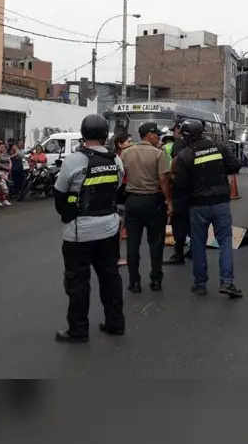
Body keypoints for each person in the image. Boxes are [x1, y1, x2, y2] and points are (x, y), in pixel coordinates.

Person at [52, 114, 126, 343]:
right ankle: (115, 324)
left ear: (83, 135)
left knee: (77, 283)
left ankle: (78, 330)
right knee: (110, 278)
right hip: (109, 229)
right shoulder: (116, 160)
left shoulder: (74, 160)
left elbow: (59, 196)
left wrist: (68, 212)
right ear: (105, 135)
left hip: (79, 233)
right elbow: (118, 191)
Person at [171, 119, 243, 297]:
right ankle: (227, 282)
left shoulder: (185, 155)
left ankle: (200, 284)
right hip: (220, 202)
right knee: (225, 241)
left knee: (198, 243)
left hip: (198, 205)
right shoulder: (219, 147)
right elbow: (235, 165)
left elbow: (179, 183)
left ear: (186, 136)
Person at [119, 123, 172, 292]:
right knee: (156, 243)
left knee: (133, 243)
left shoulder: (126, 153)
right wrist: (169, 201)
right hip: (153, 201)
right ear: (148, 135)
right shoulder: (158, 153)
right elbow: (163, 180)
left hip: (132, 201)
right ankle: (156, 279)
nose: (158, 137)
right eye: (156, 134)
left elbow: (120, 176)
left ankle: (134, 282)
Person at [164, 121, 191, 265]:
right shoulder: (197, 144)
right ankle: (194, 251)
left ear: (179, 130)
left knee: (179, 223)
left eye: (174, 130)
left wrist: (171, 176)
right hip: (195, 192)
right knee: (193, 223)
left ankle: (178, 254)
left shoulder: (179, 144)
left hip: (180, 192)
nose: (173, 133)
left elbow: (174, 162)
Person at [112, 132, 133, 268]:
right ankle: (116, 257)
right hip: (121, 194)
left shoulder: (120, 156)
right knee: (118, 227)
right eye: (128, 142)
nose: (131, 144)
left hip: (124, 193)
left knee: (121, 226)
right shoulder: (118, 158)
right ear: (120, 144)